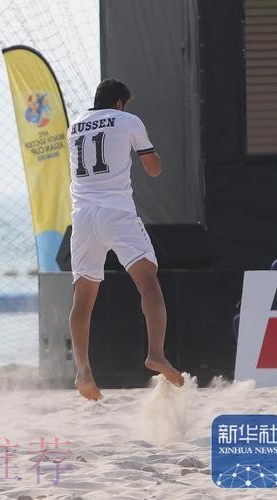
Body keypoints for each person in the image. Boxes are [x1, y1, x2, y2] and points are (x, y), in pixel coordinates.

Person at [66, 79, 184, 401]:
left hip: (83, 216)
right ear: (119, 103)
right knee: (149, 283)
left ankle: (83, 369)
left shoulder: (74, 125)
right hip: (116, 212)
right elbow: (154, 168)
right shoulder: (127, 120)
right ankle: (156, 354)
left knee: (83, 298)